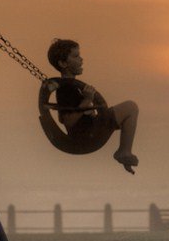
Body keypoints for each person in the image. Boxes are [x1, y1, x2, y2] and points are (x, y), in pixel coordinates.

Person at [47, 38, 139, 174]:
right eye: (76, 56)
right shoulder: (66, 88)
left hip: (90, 132)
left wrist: (89, 108)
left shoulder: (73, 87)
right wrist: (87, 100)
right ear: (63, 63)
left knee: (127, 114)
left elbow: (69, 115)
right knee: (130, 107)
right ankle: (124, 152)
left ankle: (124, 152)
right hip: (86, 136)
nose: (81, 59)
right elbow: (67, 121)